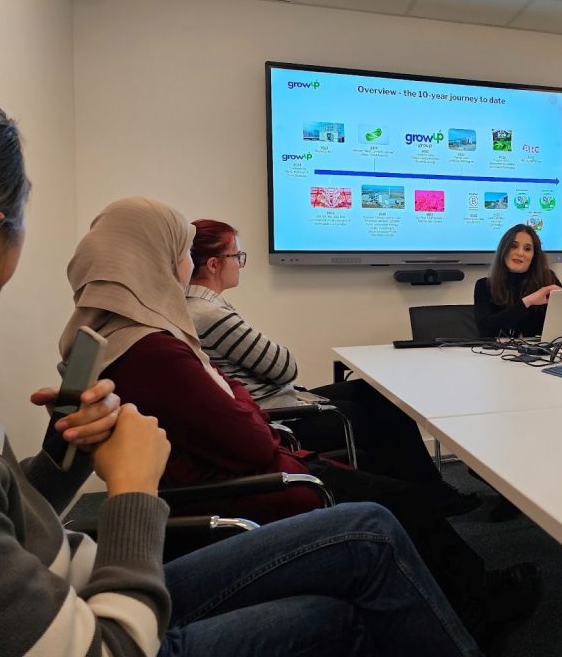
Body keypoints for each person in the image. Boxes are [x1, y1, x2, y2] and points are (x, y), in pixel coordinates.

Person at [0, 89, 482, 657]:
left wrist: (63, 455)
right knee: (372, 528)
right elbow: (256, 408)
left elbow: (9, 515)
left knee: (365, 527)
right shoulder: (156, 345)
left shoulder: (122, 340)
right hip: (121, 595)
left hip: (89, 573)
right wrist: (133, 488)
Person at [60, 196, 541, 649]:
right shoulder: (155, 348)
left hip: (248, 468)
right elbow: (250, 426)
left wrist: (236, 397)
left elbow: (234, 404)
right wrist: (239, 398)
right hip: (261, 480)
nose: (187, 266)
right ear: (155, 259)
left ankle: (466, 591)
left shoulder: (115, 335)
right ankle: (477, 608)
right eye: (180, 252)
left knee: (388, 458)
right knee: (403, 503)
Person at [185, 219, 479, 516]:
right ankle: (425, 498)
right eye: (237, 256)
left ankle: (428, 492)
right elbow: (284, 367)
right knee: (384, 419)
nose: (240, 263)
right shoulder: (209, 312)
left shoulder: (201, 307)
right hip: (281, 416)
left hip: (279, 401)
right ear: (213, 264)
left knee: (377, 395)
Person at [474, 224, 562, 339]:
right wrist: (527, 302)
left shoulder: (548, 279)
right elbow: (485, 331)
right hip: (497, 355)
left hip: (541, 353)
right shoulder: (484, 286)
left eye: (527, 249)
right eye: (514, 246)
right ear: (504, 250)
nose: (520, 253)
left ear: (534, 256)